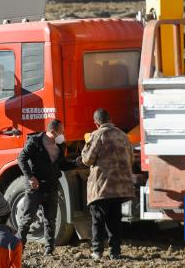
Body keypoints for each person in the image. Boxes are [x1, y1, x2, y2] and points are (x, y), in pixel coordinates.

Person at [80, 108, 134, 261]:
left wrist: (86, 146)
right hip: (120, 187)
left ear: (96, 123)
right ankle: (115, 252)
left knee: (98, 220)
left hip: (101, 187)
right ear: (111, 118)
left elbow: (87, 160)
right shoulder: (123, 135)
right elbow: (131, 159)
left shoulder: (97, 135)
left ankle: (97, 252)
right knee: (114, 221)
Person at [15, 118, 76, 254]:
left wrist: (76, 163)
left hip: (51, 186)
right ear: (52, 132)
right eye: (61, 132)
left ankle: (49, 249)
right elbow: (21, 158)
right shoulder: (35, 141)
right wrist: (30, 177)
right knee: (27, 218)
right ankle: (18, 247)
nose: (63, 135)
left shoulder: (60, 145)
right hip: (35, 188)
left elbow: (62, 164)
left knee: (50, 220)